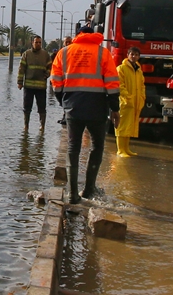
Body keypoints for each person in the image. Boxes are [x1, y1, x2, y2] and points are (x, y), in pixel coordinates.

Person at [50, 26, 120, 204]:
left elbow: (55, 81)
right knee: (97, 146)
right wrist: (115, 109)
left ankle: (73, 194)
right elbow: (112, 83)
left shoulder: (64, 52)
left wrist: (64, 102)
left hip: (73, 107)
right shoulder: (103, 53)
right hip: (98, 108)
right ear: (93, 35)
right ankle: (89, 189)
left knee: (73, 147)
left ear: (78, 35)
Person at [115, 47, 145, 158]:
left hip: (135, 101)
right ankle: (120, 149)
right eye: (132, 54)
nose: (134, 56)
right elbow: (119, 85)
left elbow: (142, 85)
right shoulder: (121, 68)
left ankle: (126, 148)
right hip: (125, 101)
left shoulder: (139, 70)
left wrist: (142, 97)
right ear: (128, 55)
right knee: (122, 124)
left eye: (136, 54)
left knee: (130, 125)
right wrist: (127, 97)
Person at [17, 35, 52, 131]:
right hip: (28, 86)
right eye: (36, 42)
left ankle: (42, 126)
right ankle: (26, 126)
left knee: (42, 108)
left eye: (40, 42)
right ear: (32, 42)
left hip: (41, 87)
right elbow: (21, 69)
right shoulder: (26, 54)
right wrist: (20, 82)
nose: (38, 44)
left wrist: (47, 74)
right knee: (27, 108)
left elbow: (50, 67)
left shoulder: (45, 55)